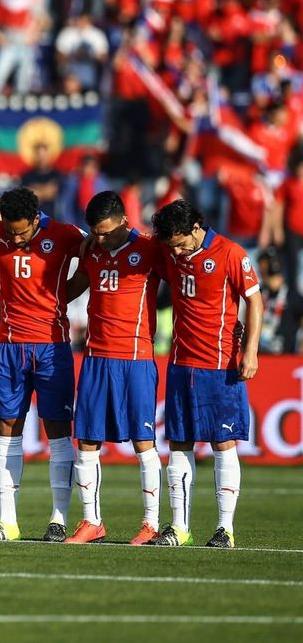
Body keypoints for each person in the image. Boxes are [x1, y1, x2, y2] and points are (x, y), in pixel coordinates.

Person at [0, 187, 86, 542]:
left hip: (51, 347)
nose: (16, 238)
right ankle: (7, 522)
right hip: (8, 346)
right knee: (6, 428)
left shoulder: (64, 234)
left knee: (58, 431)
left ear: (37, 219)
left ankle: (59, 519)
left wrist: (64, 293)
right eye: (10, 232)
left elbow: (95, 256)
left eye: (22, 231)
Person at [150, 199, 262, 548]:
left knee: (222, 443)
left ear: (195, 229)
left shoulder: (231, 253)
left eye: (181, 244)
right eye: (172, 246)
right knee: (179, 442)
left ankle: (224, 529)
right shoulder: (168, 250)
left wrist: (251, 351)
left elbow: (254, 301)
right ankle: (179, 528)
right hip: (181, 363)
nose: (177, 252)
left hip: (220, 365)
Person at [64, 191, 165, 545]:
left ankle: (151, 525)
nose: (100, 238)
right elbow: (74, 289)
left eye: (106, 232)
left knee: (143, 441)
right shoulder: (91, 249)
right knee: (87, 440)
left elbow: (185, 284)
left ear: (125, 221)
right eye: (95, 232)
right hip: (95, 357)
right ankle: (92, 521)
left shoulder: (152, 250)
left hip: (135, 360)